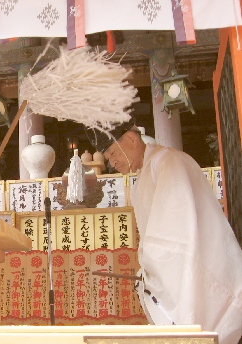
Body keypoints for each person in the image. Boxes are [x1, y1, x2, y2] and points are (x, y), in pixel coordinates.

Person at [87, 120, 242, 344]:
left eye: (112, 153)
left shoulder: (168, 162)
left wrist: (150, 265)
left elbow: (176, 234)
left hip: (206, 273)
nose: (112, 162)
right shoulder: (145, 174)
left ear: (131, 139)